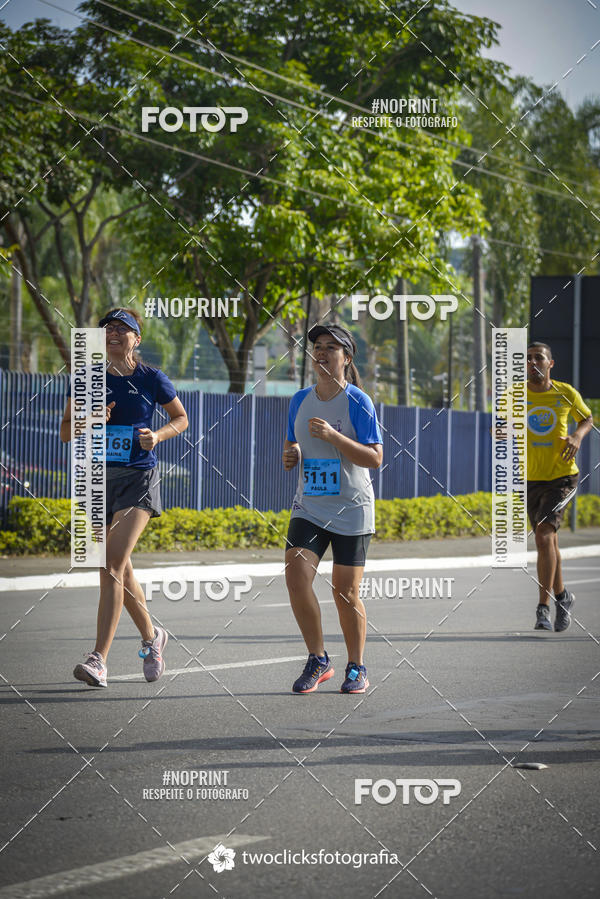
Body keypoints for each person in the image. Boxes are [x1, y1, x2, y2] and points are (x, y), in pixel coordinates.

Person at [60, 308, 188, 686]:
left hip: (139, 478)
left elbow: (180, 418)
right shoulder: (86, 379)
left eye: (122, 329)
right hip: (96, 479)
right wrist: (91, 420)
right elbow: (67, 431)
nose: (113, 334)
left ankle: (98, 659)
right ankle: (152, 638)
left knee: (111, 564)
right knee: (119, 566)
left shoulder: (152, 378)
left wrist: (157, 436)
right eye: (107, 329)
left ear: (137, 338)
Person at [283, 324, 383, 694]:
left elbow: (375, 458)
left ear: (347, 358)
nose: (321, 353)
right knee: (296, 577)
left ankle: (357, 667)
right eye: (317, 348)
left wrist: (335, 437)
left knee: (345, 592)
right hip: (309, 505)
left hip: (352, 508)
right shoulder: (299, 399)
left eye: (330, 347)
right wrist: (291, 456)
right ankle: (318, 658)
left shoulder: (358, 401)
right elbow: (293, 447)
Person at [526, 342, 593, 632]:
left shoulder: (565, 393)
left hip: (562, 477)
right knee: (548, 541)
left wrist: (577, 436)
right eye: (527, 359)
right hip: (530, 478)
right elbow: (500, 424)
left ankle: (543, 607)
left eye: (538, 358)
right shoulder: (514, 395)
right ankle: (563, 597)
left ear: (550, 363)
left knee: (543, 535)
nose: (532, 363)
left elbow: (587, 418)